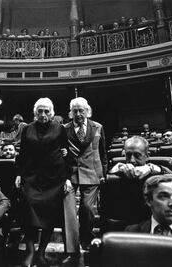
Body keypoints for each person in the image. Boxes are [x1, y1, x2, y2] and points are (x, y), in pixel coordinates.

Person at [15, 97, 69, 267]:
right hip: (31, 177)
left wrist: (67, 178)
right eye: (40, 111)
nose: (43, 114)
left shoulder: (59, 128)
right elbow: (22, 154)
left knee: (50, 215)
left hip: (54, 178)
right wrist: (19, 174)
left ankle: (41, 252)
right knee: (28, 211)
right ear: (35, 112)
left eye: (46, 111)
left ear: (51, 112)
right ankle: (30, 251)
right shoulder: (27, 129)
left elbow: (66, 154)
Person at [63, 97, 107, 259]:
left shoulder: (98, 127)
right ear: (71, 113)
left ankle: (86, 237)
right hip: (70, 174)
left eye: (81, 110)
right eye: (75, 111)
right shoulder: (63, 128)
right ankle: (71, 248)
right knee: (69, 212)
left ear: (87, 111)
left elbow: (103, 153)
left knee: (87, 209)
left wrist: (103, 173)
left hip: (93, 172)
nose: (78, 114)